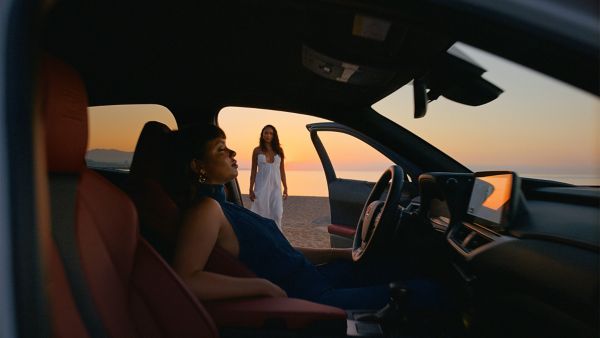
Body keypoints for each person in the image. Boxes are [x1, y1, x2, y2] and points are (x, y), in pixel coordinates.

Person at [170, 124, 404, 310]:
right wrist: (261, 286)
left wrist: (339, 254)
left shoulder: (225, 206)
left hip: (317, 277)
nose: (232, 152)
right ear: (198, 165)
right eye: (221, 149)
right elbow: (187, 278)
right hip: (311, 295)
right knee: (425, 291)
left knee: (394, 267)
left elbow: (282, 251)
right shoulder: (206, 210)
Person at [249, 125, 288, 229]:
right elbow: (253, 170)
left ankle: (277, 237)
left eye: (271, 133)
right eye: (266, 133)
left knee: (277, 214)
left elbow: (282, 170)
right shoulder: (257, 150)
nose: (268, 135)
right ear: (262, 135)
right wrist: (250, 189)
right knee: (260, 214)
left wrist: (285, 187)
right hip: (261, 187)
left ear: (274, 136)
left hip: (276, 188)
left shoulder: (279, 150)